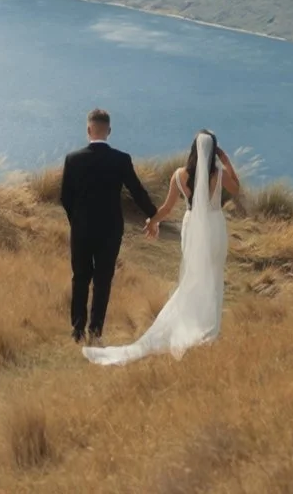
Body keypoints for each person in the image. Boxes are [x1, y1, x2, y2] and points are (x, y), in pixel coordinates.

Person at [84, 129, 245, 366]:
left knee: (193, 276)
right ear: (214, 152)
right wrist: (226, 160)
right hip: (214, 228)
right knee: (213, 275)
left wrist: (153, 221)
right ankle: (209, 328)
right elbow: (237, 188)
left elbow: (168, 208)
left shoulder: (179, 175)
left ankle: (192, 323)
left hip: (192, 229)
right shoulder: (218, 174)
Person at [57, 108, 157, 344]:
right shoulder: (121, 159)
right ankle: (96, 330)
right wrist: (155, 216)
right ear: (109, 131)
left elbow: (65, 197)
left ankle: (77, 330)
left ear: (88, 129)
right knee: (103, 279)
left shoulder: (73, 159)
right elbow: (137, 192)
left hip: (81, 228)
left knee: (80, 277)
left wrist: (76, 219)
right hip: (111, 229)